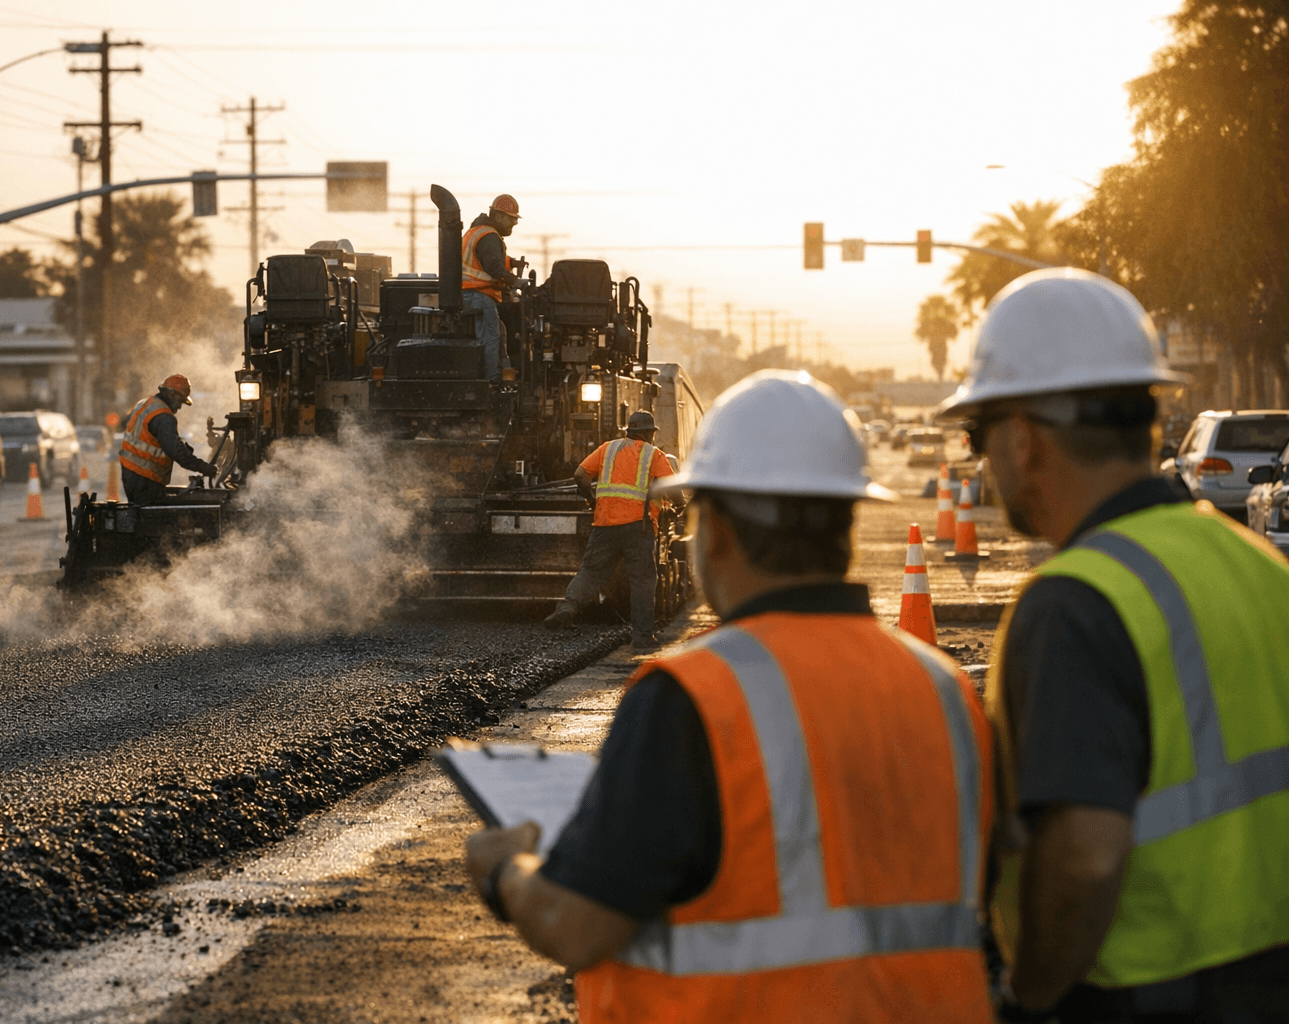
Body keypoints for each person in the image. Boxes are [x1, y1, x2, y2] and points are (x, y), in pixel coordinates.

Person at [468, 371, 996, 1022]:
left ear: (712, 529)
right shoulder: (947, 692)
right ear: (848, 525)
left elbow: (576, 927)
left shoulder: (692, 698)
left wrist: (505, 873)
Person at [937, 268, 1289, 1023]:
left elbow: (1085, 858)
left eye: (977, 434)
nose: (979, 460)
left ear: (1024, 440)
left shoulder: (1074, 604)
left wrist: (1027, 997)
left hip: (1149, 996)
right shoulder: (1260, 567)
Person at [543, 410, 675, 649]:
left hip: (604, 525)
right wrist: (682, 504)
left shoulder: (607, 448)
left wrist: (592, 500)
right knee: (642, 581)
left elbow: (580, 474)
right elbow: (673, 488)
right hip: (639, 528)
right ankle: (643, 637)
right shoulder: (654, 454)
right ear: (647, 433)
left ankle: (567, 608)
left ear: (629, 430)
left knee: (591, 572)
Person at [118, 374, 217, 505]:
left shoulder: (145, 403)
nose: (180, 407)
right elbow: (176, 452)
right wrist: (206, 468)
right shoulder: (164, 417)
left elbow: (126, 425)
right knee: (154, 519)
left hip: (129, 472)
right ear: (171, 394)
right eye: (180, 401)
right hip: (146, 478)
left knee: (139, 514)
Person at [461, 194, 521, 381]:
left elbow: (488, 258)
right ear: (499, 216)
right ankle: (492, 380)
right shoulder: (488, 235)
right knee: (490, 337)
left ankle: (503, 372)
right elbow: (493, 267)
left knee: (499, 331)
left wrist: (511, 262)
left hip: (471, 293)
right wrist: (516, 282)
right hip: (478, 294)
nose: (514, 223)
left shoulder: (478, 232)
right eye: (511, 219)